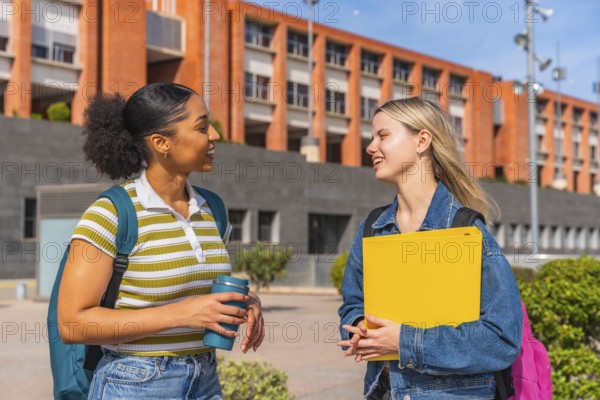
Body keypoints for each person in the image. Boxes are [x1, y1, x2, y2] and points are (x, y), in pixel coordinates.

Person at [57, 83, 264, 400]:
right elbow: (72, 324)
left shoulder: (214, 209)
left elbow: (201, 293)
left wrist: (245, 304)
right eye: (202, 127)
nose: (215, 137)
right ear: (161, 142)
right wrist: (183, 314)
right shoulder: (111, 214)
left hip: (205, 378)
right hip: (134, 382)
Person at [337, 98, 522, 400]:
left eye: (383, 136)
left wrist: (404, 341)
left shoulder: (464, 230)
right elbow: (353, 303)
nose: (371, 147)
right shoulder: (372, 227)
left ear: (422, 141)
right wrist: (359, 327)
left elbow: (501, 339)